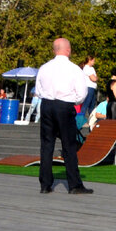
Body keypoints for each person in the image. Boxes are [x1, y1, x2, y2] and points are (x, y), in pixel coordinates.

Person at [36, 37, 92, 194]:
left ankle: (45, 184)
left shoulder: (44, 68)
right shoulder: (74, 69)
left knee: (47, 145)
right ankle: (74, 185)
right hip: (64, 106)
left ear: (54, 50)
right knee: (69, 145)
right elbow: (82, 94)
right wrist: (71, 101)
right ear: (68, 50)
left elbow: (38, 90)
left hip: (47, 105)